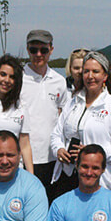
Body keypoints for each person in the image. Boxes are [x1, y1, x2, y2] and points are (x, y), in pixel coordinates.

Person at [51, 51, 111, 193]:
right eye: (86, 71)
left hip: (99, 181)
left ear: (105, 76)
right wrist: (59, 149)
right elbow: (56, 134)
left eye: (95, 71)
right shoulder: (73, 102)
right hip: (68, 176)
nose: (90, 76)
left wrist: (93, 153)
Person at [20, 30, 69, 192]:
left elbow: (63, 117)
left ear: (51, 50)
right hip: (22, 157)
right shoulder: (18, 79)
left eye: (44, 50)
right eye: (34, 50)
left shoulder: (59, 81)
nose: (38, 54)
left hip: (51, 158)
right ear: (27, 50)